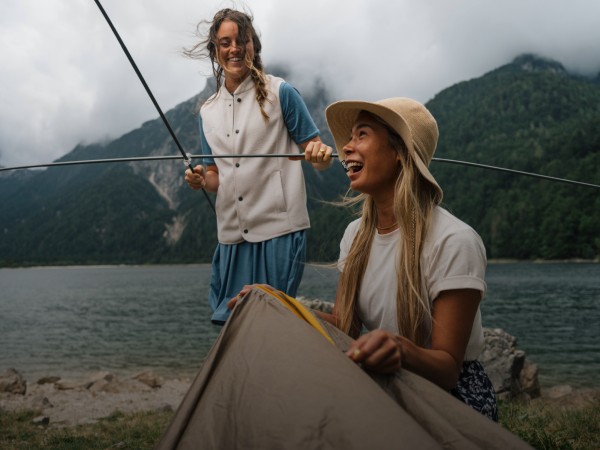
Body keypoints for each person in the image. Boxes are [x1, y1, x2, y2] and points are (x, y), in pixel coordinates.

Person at [313, 96, 498, 420]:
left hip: (452, 398)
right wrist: (280, 306)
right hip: (383, 382)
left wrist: (400, 350)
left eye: (362, 135)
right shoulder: (354, 235)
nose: (346, 148)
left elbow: (447, 370)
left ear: (399, 153)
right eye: (350, 137)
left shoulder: (455, 241)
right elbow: (345, 329)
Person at [183, 8, 333, 325]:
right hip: (232, 237)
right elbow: (214, 177)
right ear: (215, 50)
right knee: (229, 321)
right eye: (225, 42)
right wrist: (200, 179)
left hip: (280, 230)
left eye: (241, 40)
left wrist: (319, 155)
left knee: (271, 321)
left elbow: (314, 150)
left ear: (254, 44)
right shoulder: (206, 112)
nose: (234, 48)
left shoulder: (283, 93)